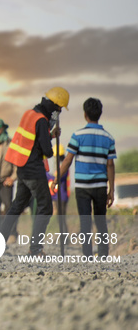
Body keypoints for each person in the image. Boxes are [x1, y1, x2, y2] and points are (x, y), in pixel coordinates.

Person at [0, 87, 67, 256]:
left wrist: (49, 135)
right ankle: (35, 249)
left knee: (17, 206)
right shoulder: (42, 120)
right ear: (55, 105)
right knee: (45, 208)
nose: (58, 112)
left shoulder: (30, 114)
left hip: (22, 168)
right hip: (34, 169)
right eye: (59, 108)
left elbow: (32, 140)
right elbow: (47, 150)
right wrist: (49, 138)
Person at [57, 97, 116, 257]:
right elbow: (110, 165)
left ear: (85, 114)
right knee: (100, 221)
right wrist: (111, 190)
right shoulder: (108, 138)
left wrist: (56, 178)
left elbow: (68, 160)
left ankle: (87, 255)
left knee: (85, 222)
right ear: (100, 114)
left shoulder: (78, 135)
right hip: (100, 186)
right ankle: (103, 254)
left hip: (83, 187)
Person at [46, 144, 70, 234]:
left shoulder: (63, 167)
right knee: (59, 218)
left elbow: (58, 177)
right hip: (57, 196)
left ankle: (64, 238)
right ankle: (62, 236)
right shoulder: (58, 166)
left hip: (62, 196)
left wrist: (46, 174)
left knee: (61, 218)